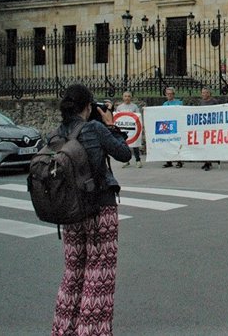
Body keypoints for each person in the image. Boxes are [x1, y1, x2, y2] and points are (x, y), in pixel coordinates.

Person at [51, 83, 131, 336]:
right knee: (99, 275)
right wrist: (109, 124)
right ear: (88, 106)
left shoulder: (57, 134)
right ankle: (92, 332)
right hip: (99, 209)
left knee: (73, 272)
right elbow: (124, 153)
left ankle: (64, 330)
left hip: (70, 212)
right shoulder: (95, 128)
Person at [116, 91, 142, 168]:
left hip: (133, 129)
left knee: (135, 145)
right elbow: (117, 118)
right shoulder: (119, 107)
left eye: (129, 96)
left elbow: (138, 117)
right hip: (123, 129)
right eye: (125, 96)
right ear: (123, 97)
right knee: (124, 145)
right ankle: (126, 160)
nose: (127, 98)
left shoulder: (134, 107)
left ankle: (138, 160)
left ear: (131, 97)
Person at [162, 87, 183, 168]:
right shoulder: (164, 104)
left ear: (174, 94)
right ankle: (169, 161)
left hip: (177, 125)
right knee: (168, 143)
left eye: (171, 94)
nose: (169, 95)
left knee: (178, 144)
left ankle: (179, 161)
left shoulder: (179, 103)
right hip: (168, 126)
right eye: (168, 94)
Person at [199, 87, 218, 171]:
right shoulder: (201, 102)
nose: (204, 94)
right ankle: (207, 161)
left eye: (206, 92)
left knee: (209, 145)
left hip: (212, 127)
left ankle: (208, 163)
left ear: (209, 93)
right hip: (203, 126)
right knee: (204, 145)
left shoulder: (214, 102)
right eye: (203, 93)